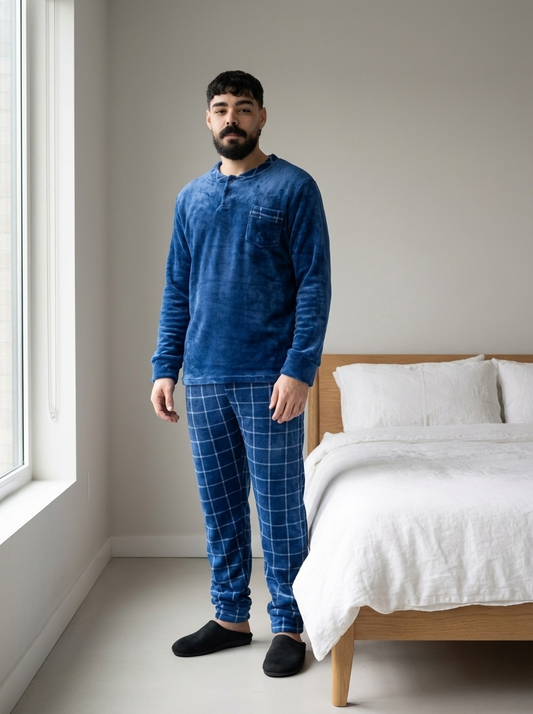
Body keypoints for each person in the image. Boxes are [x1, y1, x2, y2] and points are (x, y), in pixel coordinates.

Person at [150, 70, 331, 677]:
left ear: (262, 117)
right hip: (203, 378)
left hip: (270, 379)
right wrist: (165, 367)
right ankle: (230, 618)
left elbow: (314, 285)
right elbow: (177, 289)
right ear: (208, 118)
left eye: (244, 108)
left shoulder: (294, 187)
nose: (232, 119)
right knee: (220, 507)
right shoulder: (190, 198)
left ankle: (290, 623)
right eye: (222, 108)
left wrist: (299, 368)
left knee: (279, 509)